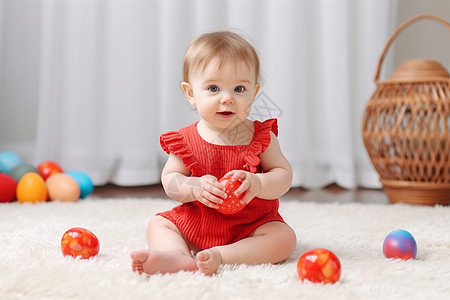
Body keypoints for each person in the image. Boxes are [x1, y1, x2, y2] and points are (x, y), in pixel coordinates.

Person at [130, 31, 297, 276]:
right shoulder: (185, 140)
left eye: (239, 88)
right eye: (213, 88)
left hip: (250, 225)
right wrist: (194, 186)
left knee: (284, 238)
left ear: (255, 91)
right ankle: (176, 256)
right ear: (190, 93)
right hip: (197, 221)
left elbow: (283, 174)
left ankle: (224, 256)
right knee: (159, 224)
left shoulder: (261, 136)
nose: (227, 98)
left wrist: (258, 184)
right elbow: (170, 181)